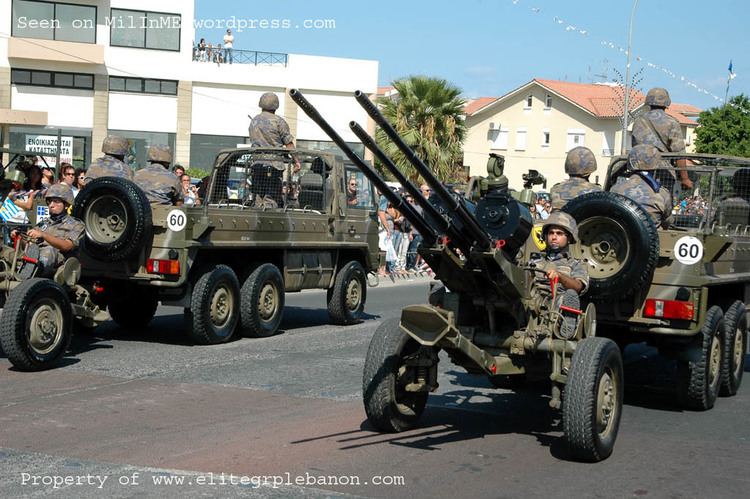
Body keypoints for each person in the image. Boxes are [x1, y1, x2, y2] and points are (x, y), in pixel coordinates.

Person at [527, 210, 589, 337]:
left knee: (569, 295)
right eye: (551, 233)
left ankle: (567, 321)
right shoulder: (534, 260)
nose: (554, 237)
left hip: (556, 301)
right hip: (532, 296)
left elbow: (578, 286)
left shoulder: (575, 264)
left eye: (559, 233)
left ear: (569, 238)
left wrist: (560, 276)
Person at [12, 183, 84, 277]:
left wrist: (44, 235)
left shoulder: (76, 225)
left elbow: (67, 246)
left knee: (49, 250)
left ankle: (32, 271)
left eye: (56, 201)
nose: (51, 205)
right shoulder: (44, 223)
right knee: (5, 251)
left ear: (66, 204)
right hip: (36, 254)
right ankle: (24, 270)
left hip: (58, 263)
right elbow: (30, 243)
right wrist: (20, 238)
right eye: (49, 202)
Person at [631, 87, 693, 190]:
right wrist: (685, 179)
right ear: (667, 103)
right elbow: (679, 153)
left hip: (638, 168)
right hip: (663, 172)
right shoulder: (672, 122)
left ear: (648, 102)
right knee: (663, 200)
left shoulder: (638, 121)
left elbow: (634, 146)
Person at [611, 144, 672, 228]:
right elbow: (667, 222)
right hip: (650, 239)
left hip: (620, 237)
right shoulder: (662, 193)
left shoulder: (615, 189)